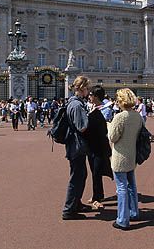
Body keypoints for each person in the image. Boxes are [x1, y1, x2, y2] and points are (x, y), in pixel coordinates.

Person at [108, 88, 142, 230]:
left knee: (121, 187)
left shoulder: (120, 117)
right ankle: (134, 212)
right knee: (131, 185)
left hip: (120, 156)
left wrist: (109, 126)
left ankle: (122, 219)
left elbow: (112, 137)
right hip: (131, 155)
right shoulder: (137, 116)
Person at [62, 76, 93, 220]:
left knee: (81, 174)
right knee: (77, 177)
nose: (89, 91)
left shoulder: (74, 103)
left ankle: (76, 203)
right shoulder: (77, 105)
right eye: (87, 88)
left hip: (75, 144)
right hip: (77, 145)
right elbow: (82, 127)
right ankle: (69, 209)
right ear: (82, 88)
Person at [84, 85, 113, 209]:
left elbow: (105, 125)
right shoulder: (91, 107)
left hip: (100, 145)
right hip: (91, 145)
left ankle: (97, 197)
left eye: (90, 95)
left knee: (97, 171)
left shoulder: (105, 109)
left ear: (95, 96)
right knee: (95, 171)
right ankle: (98, 194)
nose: (88, 97)